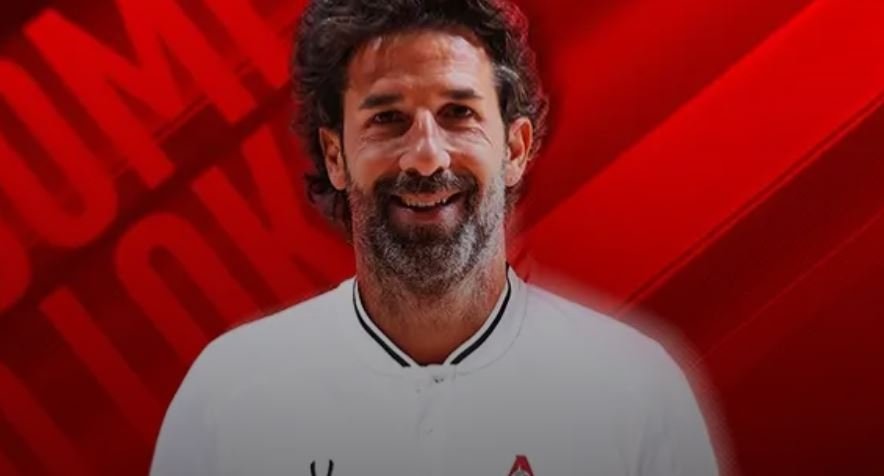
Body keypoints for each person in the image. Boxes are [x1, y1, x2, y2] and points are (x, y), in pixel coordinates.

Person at [150, 0, 720, 474]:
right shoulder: (231, 397)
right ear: (336, 155)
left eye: (457, 113)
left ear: (515, 148)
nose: (426, 156)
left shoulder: (633, 392)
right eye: (387, 119)